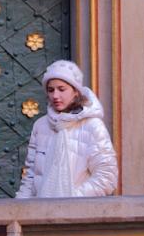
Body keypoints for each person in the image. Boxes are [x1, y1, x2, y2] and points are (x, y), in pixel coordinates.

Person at [15, 60, 118, 198]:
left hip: (79, 214)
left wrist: (71, 200)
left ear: (75, 91)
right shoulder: (41, 126)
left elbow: (106, 177)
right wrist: (21, 209)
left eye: (61, 89)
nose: (55, 96)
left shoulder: (92, 126)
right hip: (41, 213)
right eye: (51, 90)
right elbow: (31, 176)